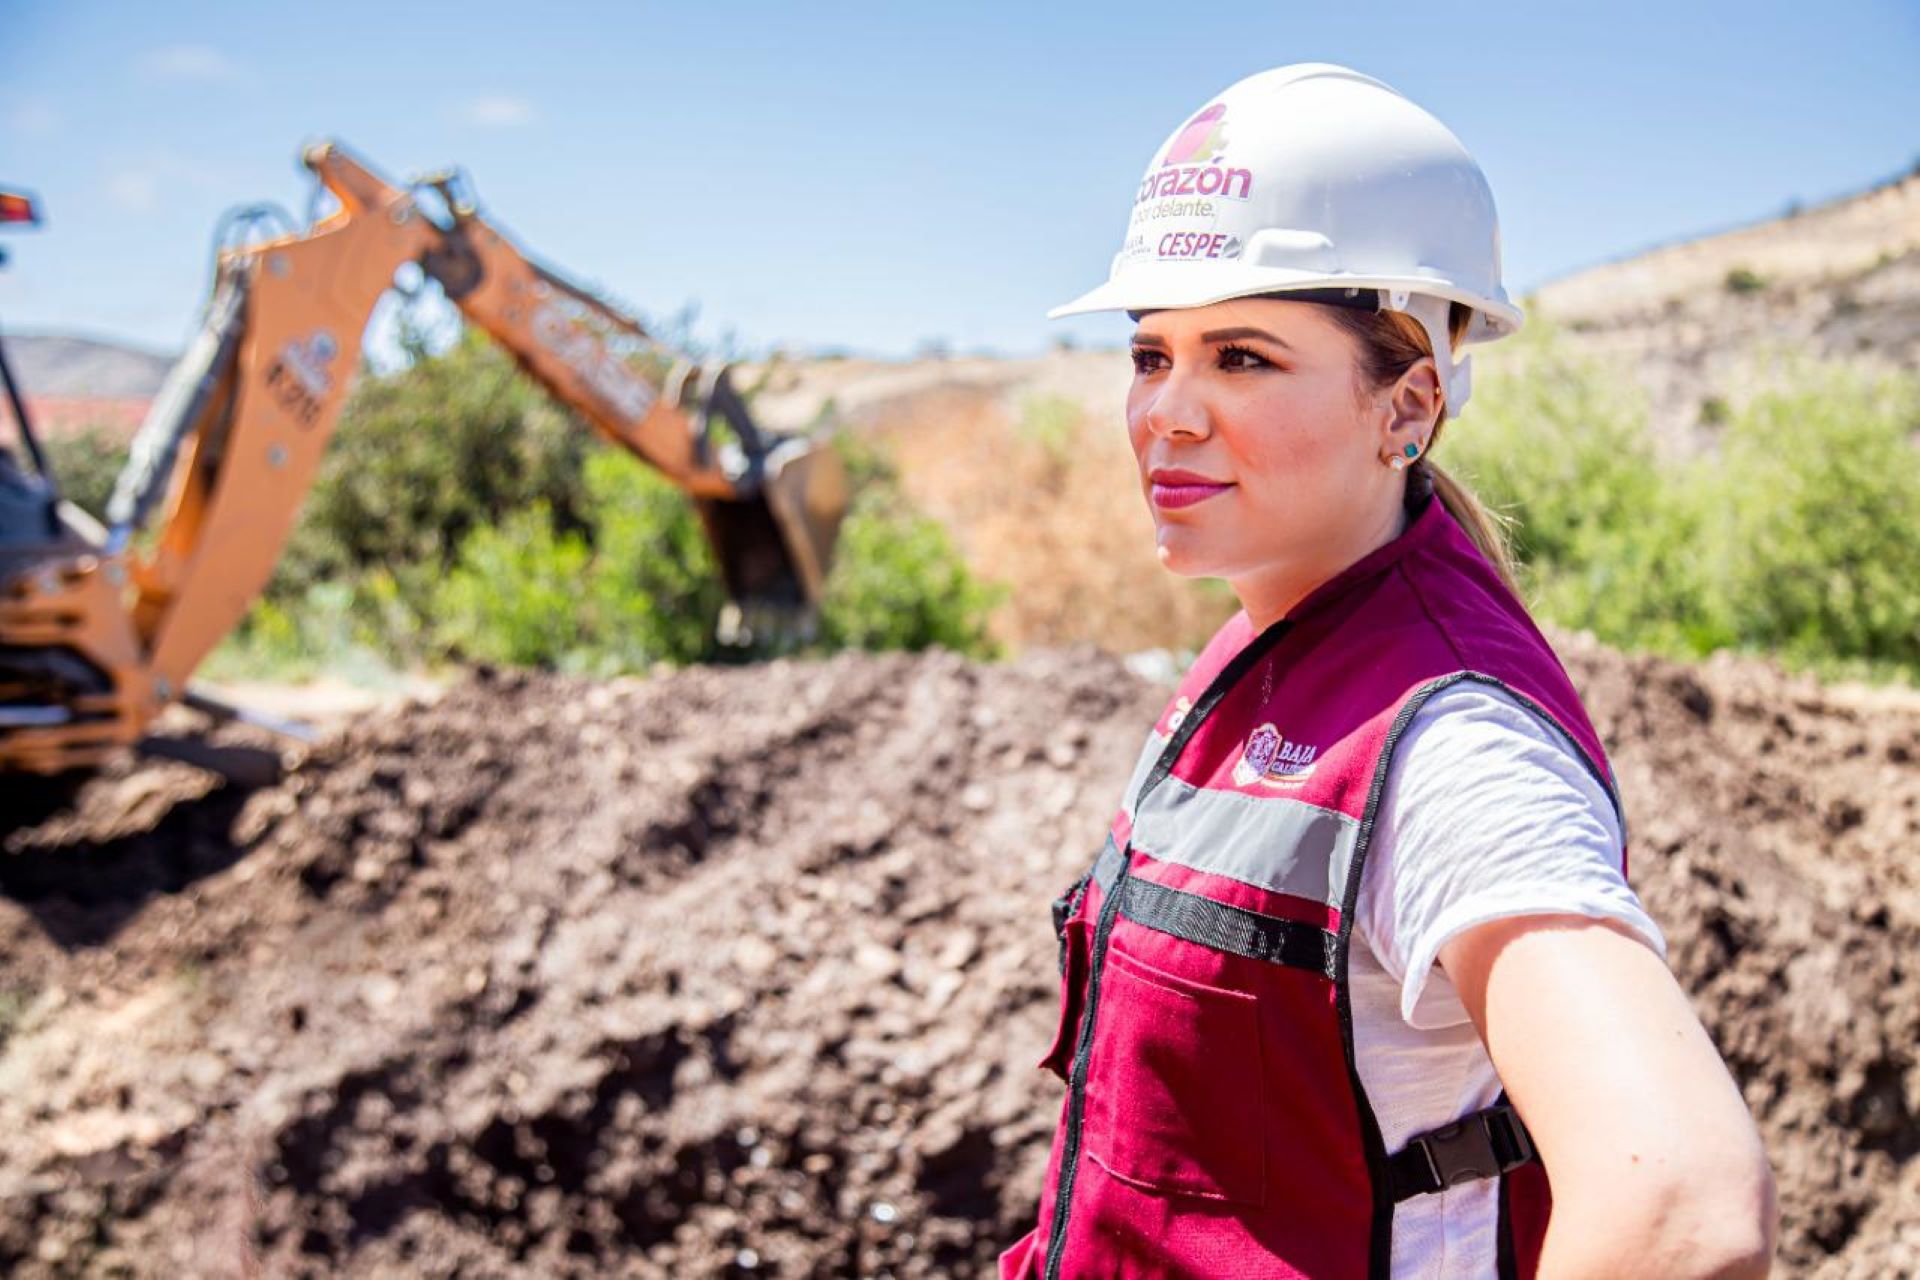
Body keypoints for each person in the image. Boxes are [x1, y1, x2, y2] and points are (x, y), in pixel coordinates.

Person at [1000, 64, 1778, 1279]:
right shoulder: (1269, 637)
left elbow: (1683, 1204)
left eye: (1244, 357)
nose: (1170, 413)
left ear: (1407, 404)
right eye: (1151, 354)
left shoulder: (1452, 739)